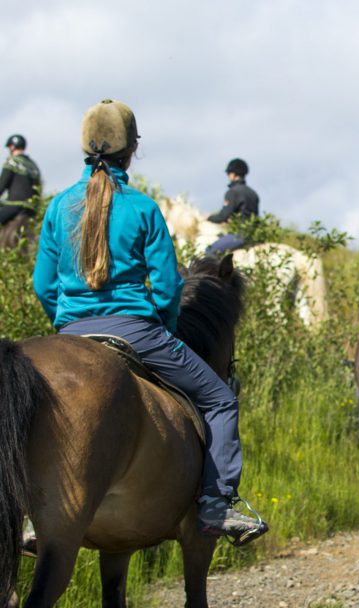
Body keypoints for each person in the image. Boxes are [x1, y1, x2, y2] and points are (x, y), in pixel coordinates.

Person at [32, 99, 268, 545]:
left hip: (70, 333)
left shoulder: (58, 207)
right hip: (136, 331)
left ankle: (32, 513)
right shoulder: (141, 209)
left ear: (85, 147)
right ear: (132, 150)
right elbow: (165, 287)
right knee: (220, 401)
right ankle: (220, 506)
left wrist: (68, 328)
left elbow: (43, 284)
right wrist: (163, 327)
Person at [206, 158, 259, 254]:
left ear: (234, 174)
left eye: (229, 173)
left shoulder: (233, 192)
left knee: (209, 251)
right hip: (255, 234)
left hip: (240, 235)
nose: (228, 176)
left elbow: (223, 216)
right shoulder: (253, 193)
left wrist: (208, 218)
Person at [0, 133, 41, 226]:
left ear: (12, 147)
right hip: (31, 209)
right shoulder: (33, 166)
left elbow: (1, 186)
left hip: (14, 205)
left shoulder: (12, 162)